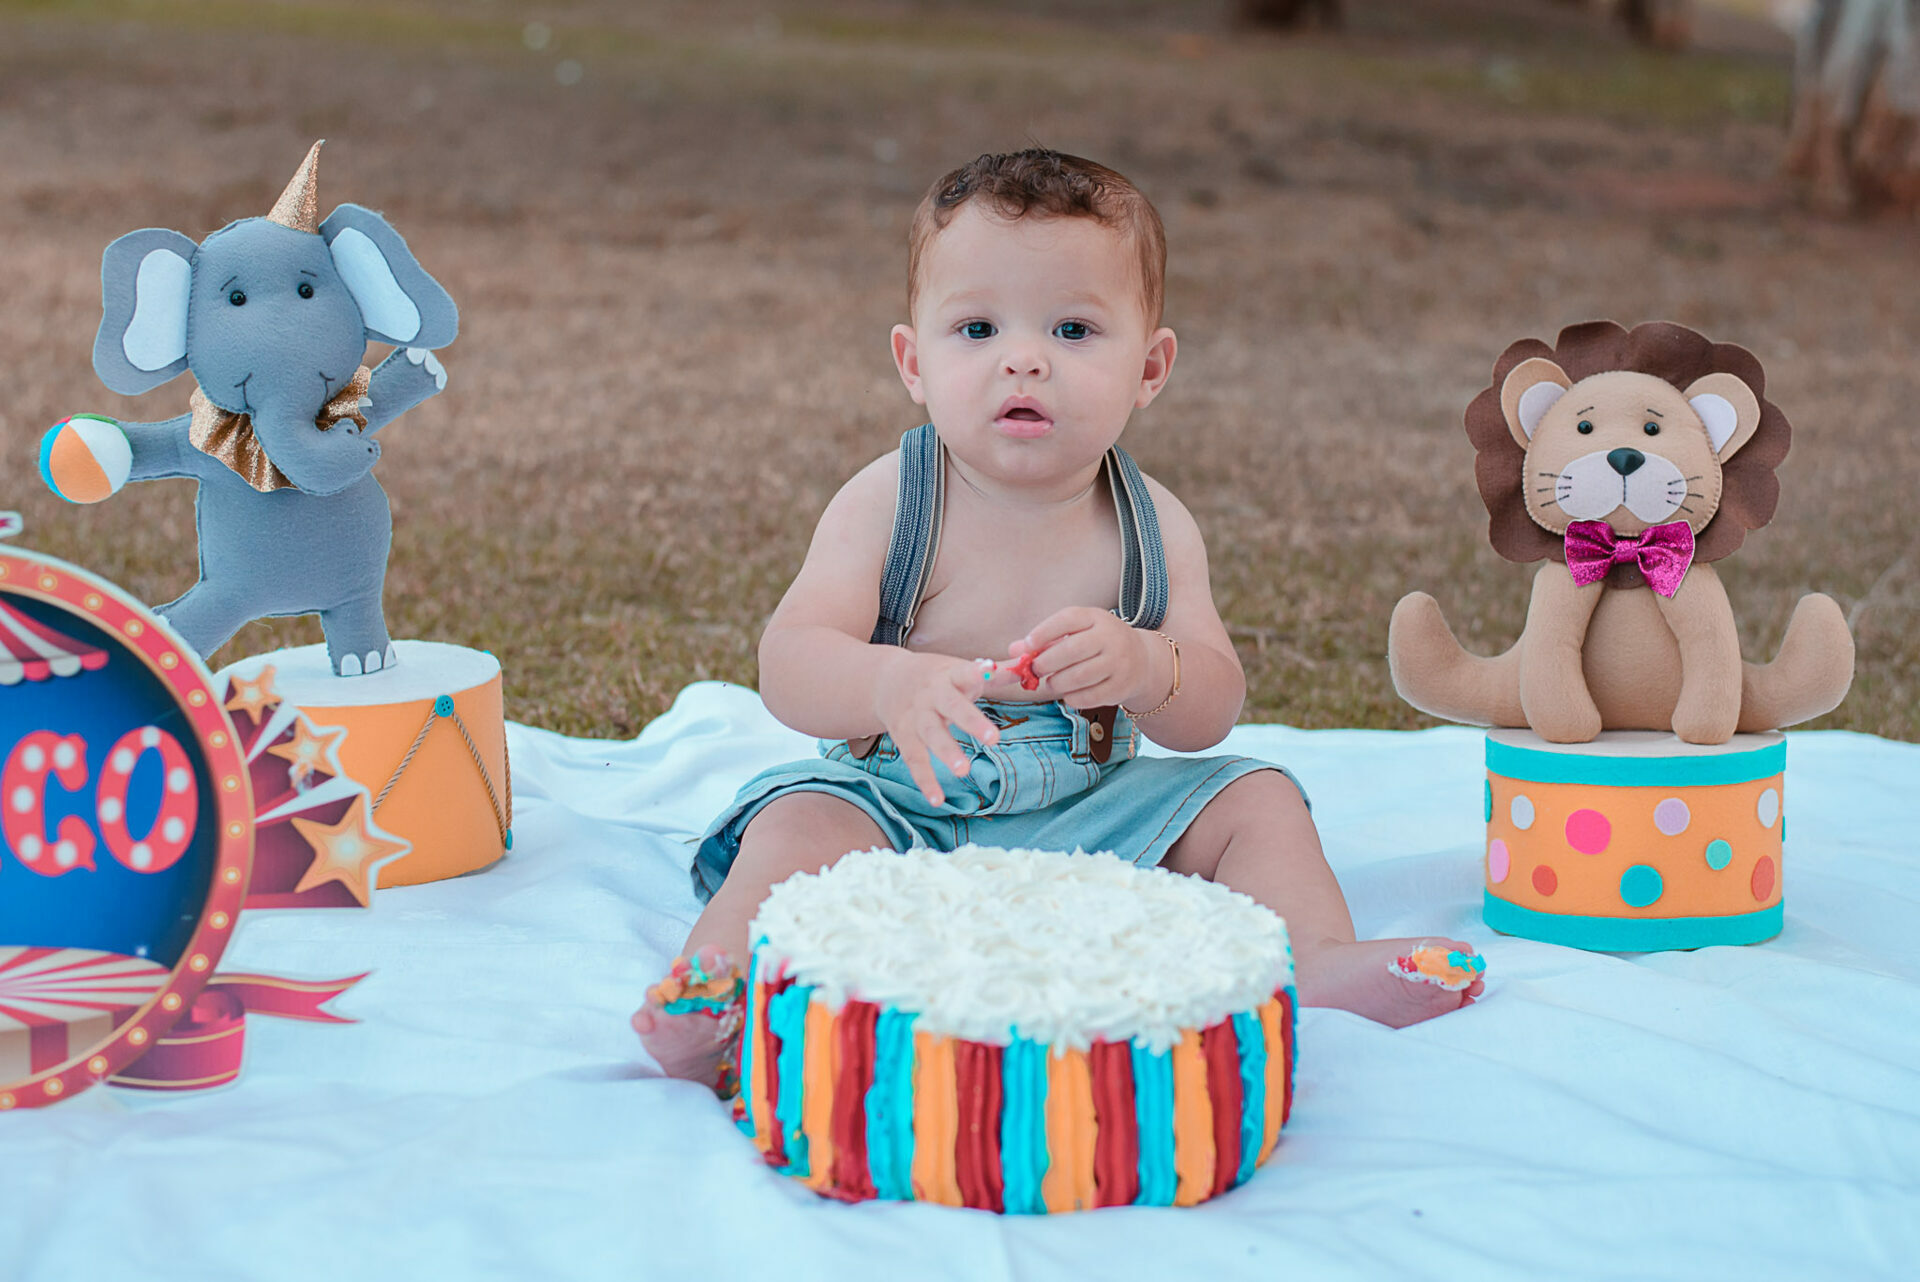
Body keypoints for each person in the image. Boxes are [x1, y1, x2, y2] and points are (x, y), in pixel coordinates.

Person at [634, 149, 1482, 1092]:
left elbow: (1211, 706)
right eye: (977, 328)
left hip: (1091, 813)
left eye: (1073, 329)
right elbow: (788, 662)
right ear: (914, 363)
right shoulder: (890, 501)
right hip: (897, 805)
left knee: (1259, 797)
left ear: (1149, 368)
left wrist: (1148, 666)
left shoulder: (1153, 524)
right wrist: (888, 681)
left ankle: (1313, 958)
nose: (1024, 358)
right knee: (792, 822)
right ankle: (719, 991)